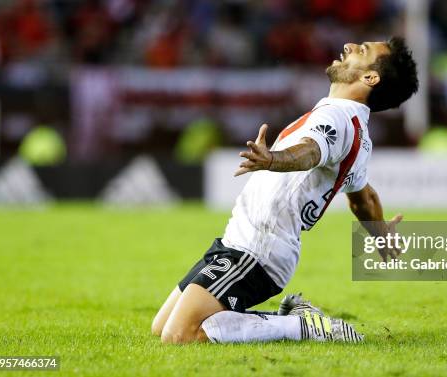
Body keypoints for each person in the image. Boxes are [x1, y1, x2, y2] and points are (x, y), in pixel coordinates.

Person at [152, 37, 419, 344]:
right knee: (161, 327)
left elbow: (310, 151)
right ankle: (286, 320)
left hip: (257, 249)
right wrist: (380, 233)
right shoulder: (359, 132)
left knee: (179, 336)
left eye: (362, 50)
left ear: (370, 77)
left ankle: (301, 326)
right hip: (243, 242)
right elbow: (363, 198)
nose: (349, 45)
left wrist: (272, 159)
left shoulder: (338, 118)